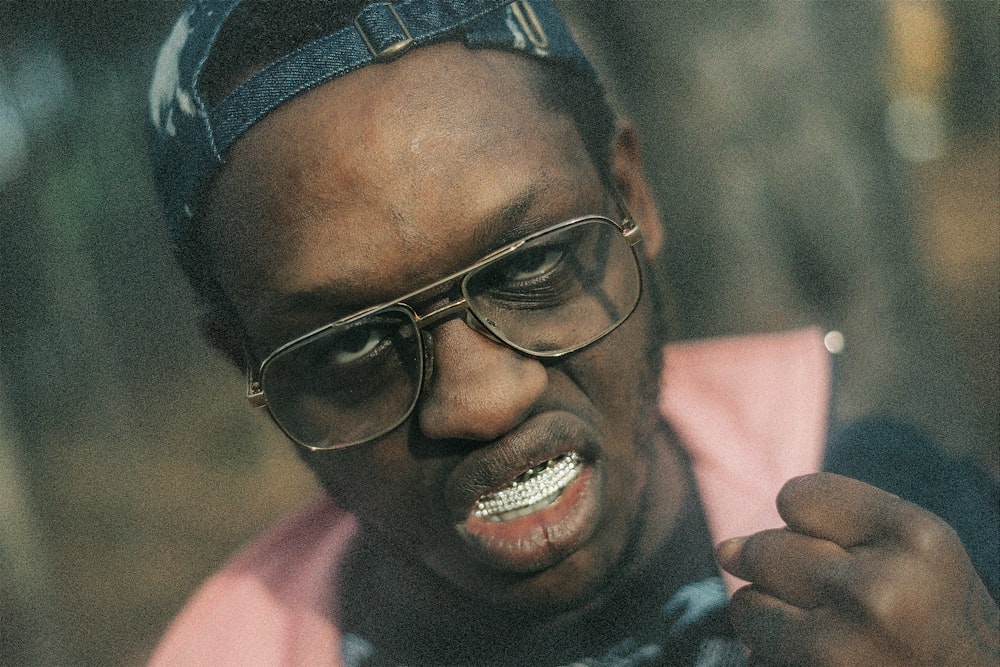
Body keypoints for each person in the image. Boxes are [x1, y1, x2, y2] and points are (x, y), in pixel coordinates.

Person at [146, 1, 998, 664]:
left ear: (631, 197)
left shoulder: (909, 537)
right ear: (249, 366)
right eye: (354, 342)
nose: (483, 401)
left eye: (532, 265)